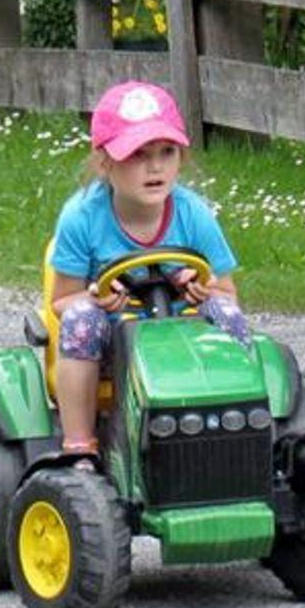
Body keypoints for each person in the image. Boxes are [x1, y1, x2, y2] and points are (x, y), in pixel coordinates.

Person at [49, 81, 251, 461]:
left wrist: (203, 289)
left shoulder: (194, 214)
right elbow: (61, 300)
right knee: (81, 318)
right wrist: (97, 298)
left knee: (227, 314)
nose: (155, 166)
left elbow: (227, 292)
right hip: (108, 343)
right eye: (137, 154)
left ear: (180, 157)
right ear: (106, 162)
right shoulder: (82, 217)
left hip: (182, 335)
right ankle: (79, 446)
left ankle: (240, 430)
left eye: (166, 152)